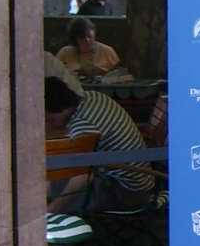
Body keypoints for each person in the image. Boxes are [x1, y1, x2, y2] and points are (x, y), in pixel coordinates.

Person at [45, 76, 155, 215]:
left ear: (62, 110)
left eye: (48, 120)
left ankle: (49, 219)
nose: (46, 125)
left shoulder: (83, 127)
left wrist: (52, 210)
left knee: (46, 186)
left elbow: (82, 177)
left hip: (126, 192)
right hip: (141, 181)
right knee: (50, 178)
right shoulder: (93, 97)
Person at [56, 16, 122, 80]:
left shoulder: (107, 51)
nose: (87, 40)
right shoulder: (65, 53)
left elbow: (119, 75)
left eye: (89, 36)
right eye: (82, 38)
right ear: (75, 40)